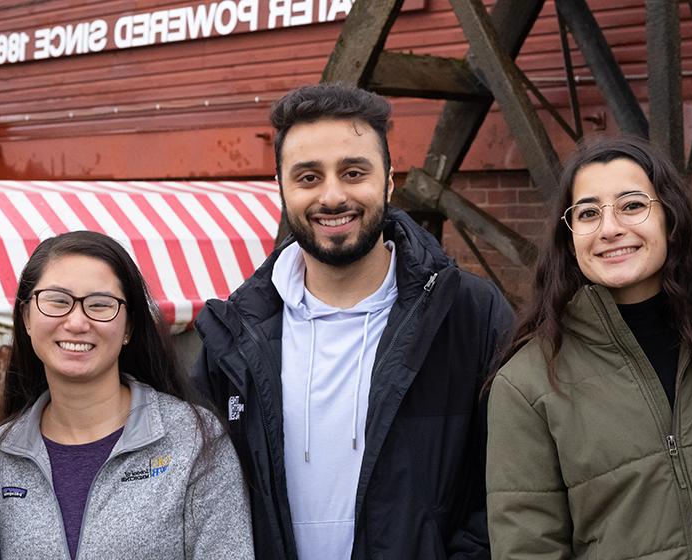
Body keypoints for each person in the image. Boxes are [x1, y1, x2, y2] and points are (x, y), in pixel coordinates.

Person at [192, 82, 513, 559]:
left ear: (387, 182)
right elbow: (203, 498)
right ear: (282, 189)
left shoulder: (470, 314)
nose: (333, 195)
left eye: (353, 172)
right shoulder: (234, 335)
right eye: (308, 177)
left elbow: (511, 486)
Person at [487, 136, 692, 558]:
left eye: (632, 205)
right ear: (570, 235)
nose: (611, 229)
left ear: (670, 218)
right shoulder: (527, 385)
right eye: (589, 213)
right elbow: (528, 548)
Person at [0, 230, 252, 559]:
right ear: (26, 319)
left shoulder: (194, 439)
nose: (76, 322)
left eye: (100, 305)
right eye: (58, 301)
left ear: (129, 328)